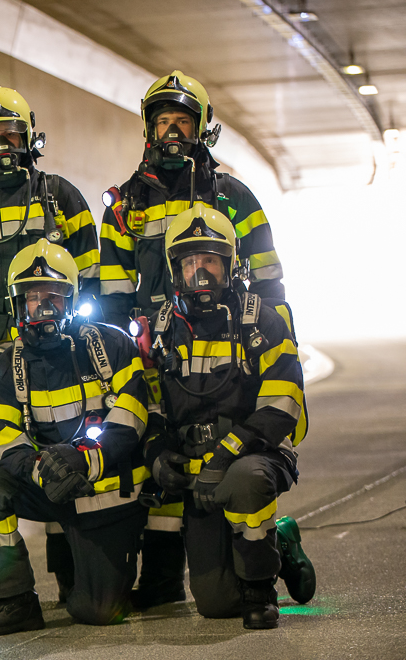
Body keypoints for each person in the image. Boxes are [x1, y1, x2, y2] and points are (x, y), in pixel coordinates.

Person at [97, 70, 299, 609]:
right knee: (163, 454)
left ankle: (268, 547)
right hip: (159, 348)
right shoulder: (124, 206)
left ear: (202, 128)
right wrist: (122, 361)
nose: (171, 131)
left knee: (233, 461)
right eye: (162, 120)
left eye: (182, 121)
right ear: (148, 128)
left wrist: (278, 347)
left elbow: (268, 281)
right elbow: (112, 296)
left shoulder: (234, 196)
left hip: (228, 344)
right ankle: (162, 578)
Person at [0, 83, 100, 597]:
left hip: (61, 353)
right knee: (0, 461)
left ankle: (72, 569)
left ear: (29, 138)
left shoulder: (61, 197)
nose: (1, 146)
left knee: (64, 448)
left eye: (10, 135)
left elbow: (91, 279)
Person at [0, 239, 150, 636]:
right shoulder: (5, 369)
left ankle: (96, 575)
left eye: (54, 297)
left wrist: (85, 458)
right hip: (46, 484)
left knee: (97, 611)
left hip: (102, 490)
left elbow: (132, 415)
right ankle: (13, 602)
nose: (43, 308)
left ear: (72, 299)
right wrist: (40, 468)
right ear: (17, 304)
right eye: (33, 298)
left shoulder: (111, 345)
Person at [142, 204, 314, 629]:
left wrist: (224, 456)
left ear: (231, 265)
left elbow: (281, 405)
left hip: (255, 453)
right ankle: (281, 538)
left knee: (246, 480)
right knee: (217, 603)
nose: (200, 273)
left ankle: (260, 589)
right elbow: (150, 404)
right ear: (175, 270)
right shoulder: (161, 331)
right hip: (199, 469)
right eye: (190, 263)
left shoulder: (262, 321)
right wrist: (159, 452)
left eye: (211, 261)